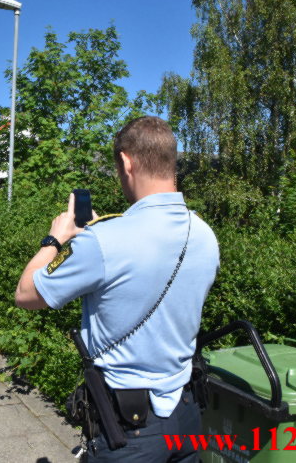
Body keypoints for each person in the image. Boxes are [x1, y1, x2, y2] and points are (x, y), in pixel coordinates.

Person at [15, 116, 220, 462]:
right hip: (188, 420)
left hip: (129, 430)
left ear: (126, 162)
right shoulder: (204, 235)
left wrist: (56, 239)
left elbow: (26, 294)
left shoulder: (103, 241)